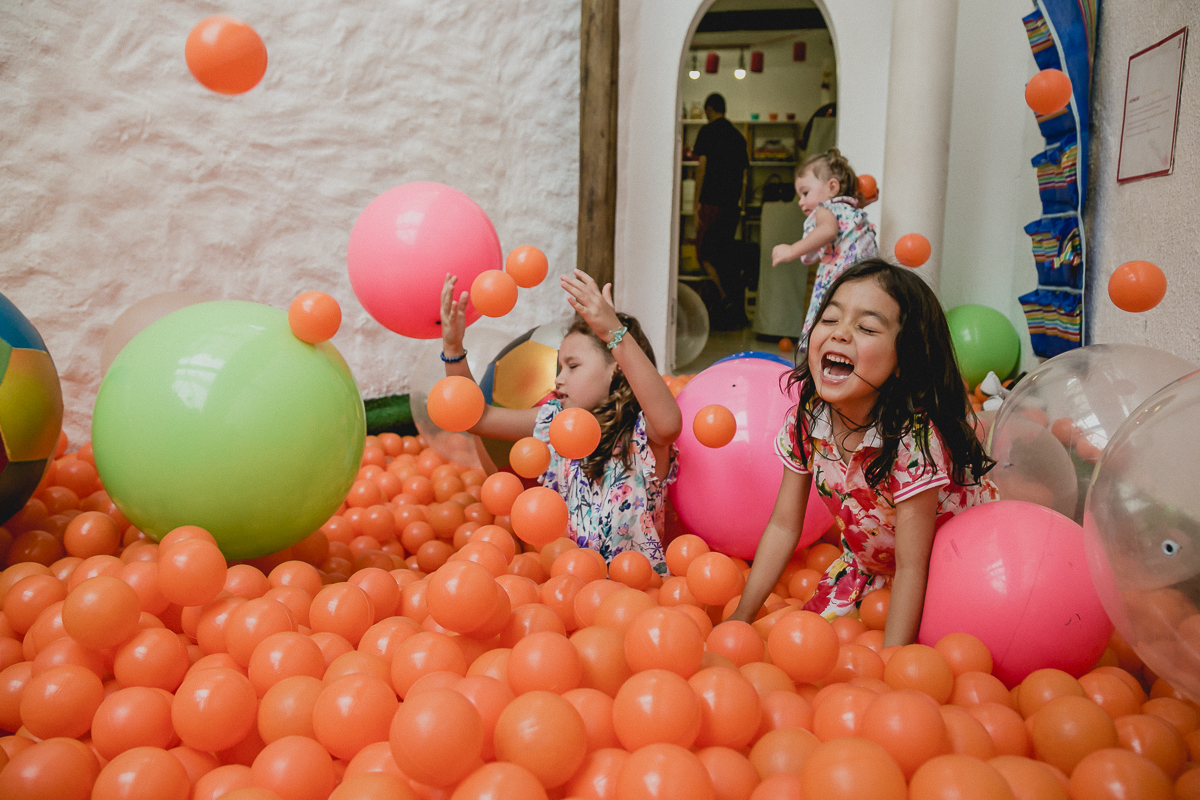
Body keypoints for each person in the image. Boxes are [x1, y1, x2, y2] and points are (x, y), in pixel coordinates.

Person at [727, 260, 1000, 646]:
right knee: (805, 647)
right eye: (830, 319)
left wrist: (892, 660)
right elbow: (784, 526)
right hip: (868, 567)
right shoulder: (807, 420)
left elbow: (912, 566)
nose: (840, 334)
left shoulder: (912, 441)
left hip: (948, 571)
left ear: (904, 360)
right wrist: (741, 617)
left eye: (867, 328)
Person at [438, 271, 683, 576]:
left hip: (634, 595)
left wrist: (613, 333)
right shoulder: (553, 421)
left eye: (573, 366)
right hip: (569, 592)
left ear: (616, 369)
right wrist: (452, 349)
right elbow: (477, 418)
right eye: (559, 367)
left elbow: (670, 424)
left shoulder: (641, 435)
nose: (558, 379)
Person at [771, 148, 877, 345]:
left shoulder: (824, 209)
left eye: (805, 193)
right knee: (850, 322)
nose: (801, 202)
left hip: (841, 279)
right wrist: (862, 204)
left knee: (832, 321)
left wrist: (792, 249)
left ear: (832, 187)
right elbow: (845, 229)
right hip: (861, 277)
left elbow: (828, 231)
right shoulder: (847, 210)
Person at [692, 93, 750, 329]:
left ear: (709, 109)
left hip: (711, 202)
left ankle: (725, 299)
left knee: (704, 253)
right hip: (732, 206)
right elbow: (744, 177)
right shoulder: (738, 137)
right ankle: (734, 307)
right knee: (725, 255)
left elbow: (702, 167)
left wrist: (696, 202)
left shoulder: (707, 132)